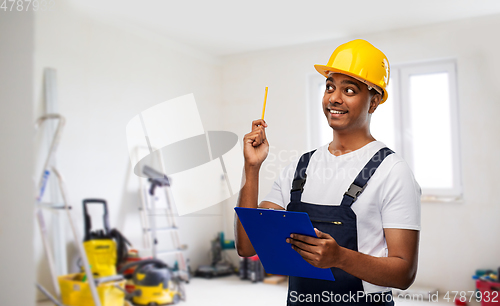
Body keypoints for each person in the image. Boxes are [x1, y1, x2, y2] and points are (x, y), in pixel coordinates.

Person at [235, 39, 420, 305]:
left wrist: (339, 258)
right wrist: (251, 168)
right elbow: (247, 246)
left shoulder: (393, 171)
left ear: (374, 101)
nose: (334, 97)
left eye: (350, 90)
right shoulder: (301, 168)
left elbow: (404, 273)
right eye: (330, 87)